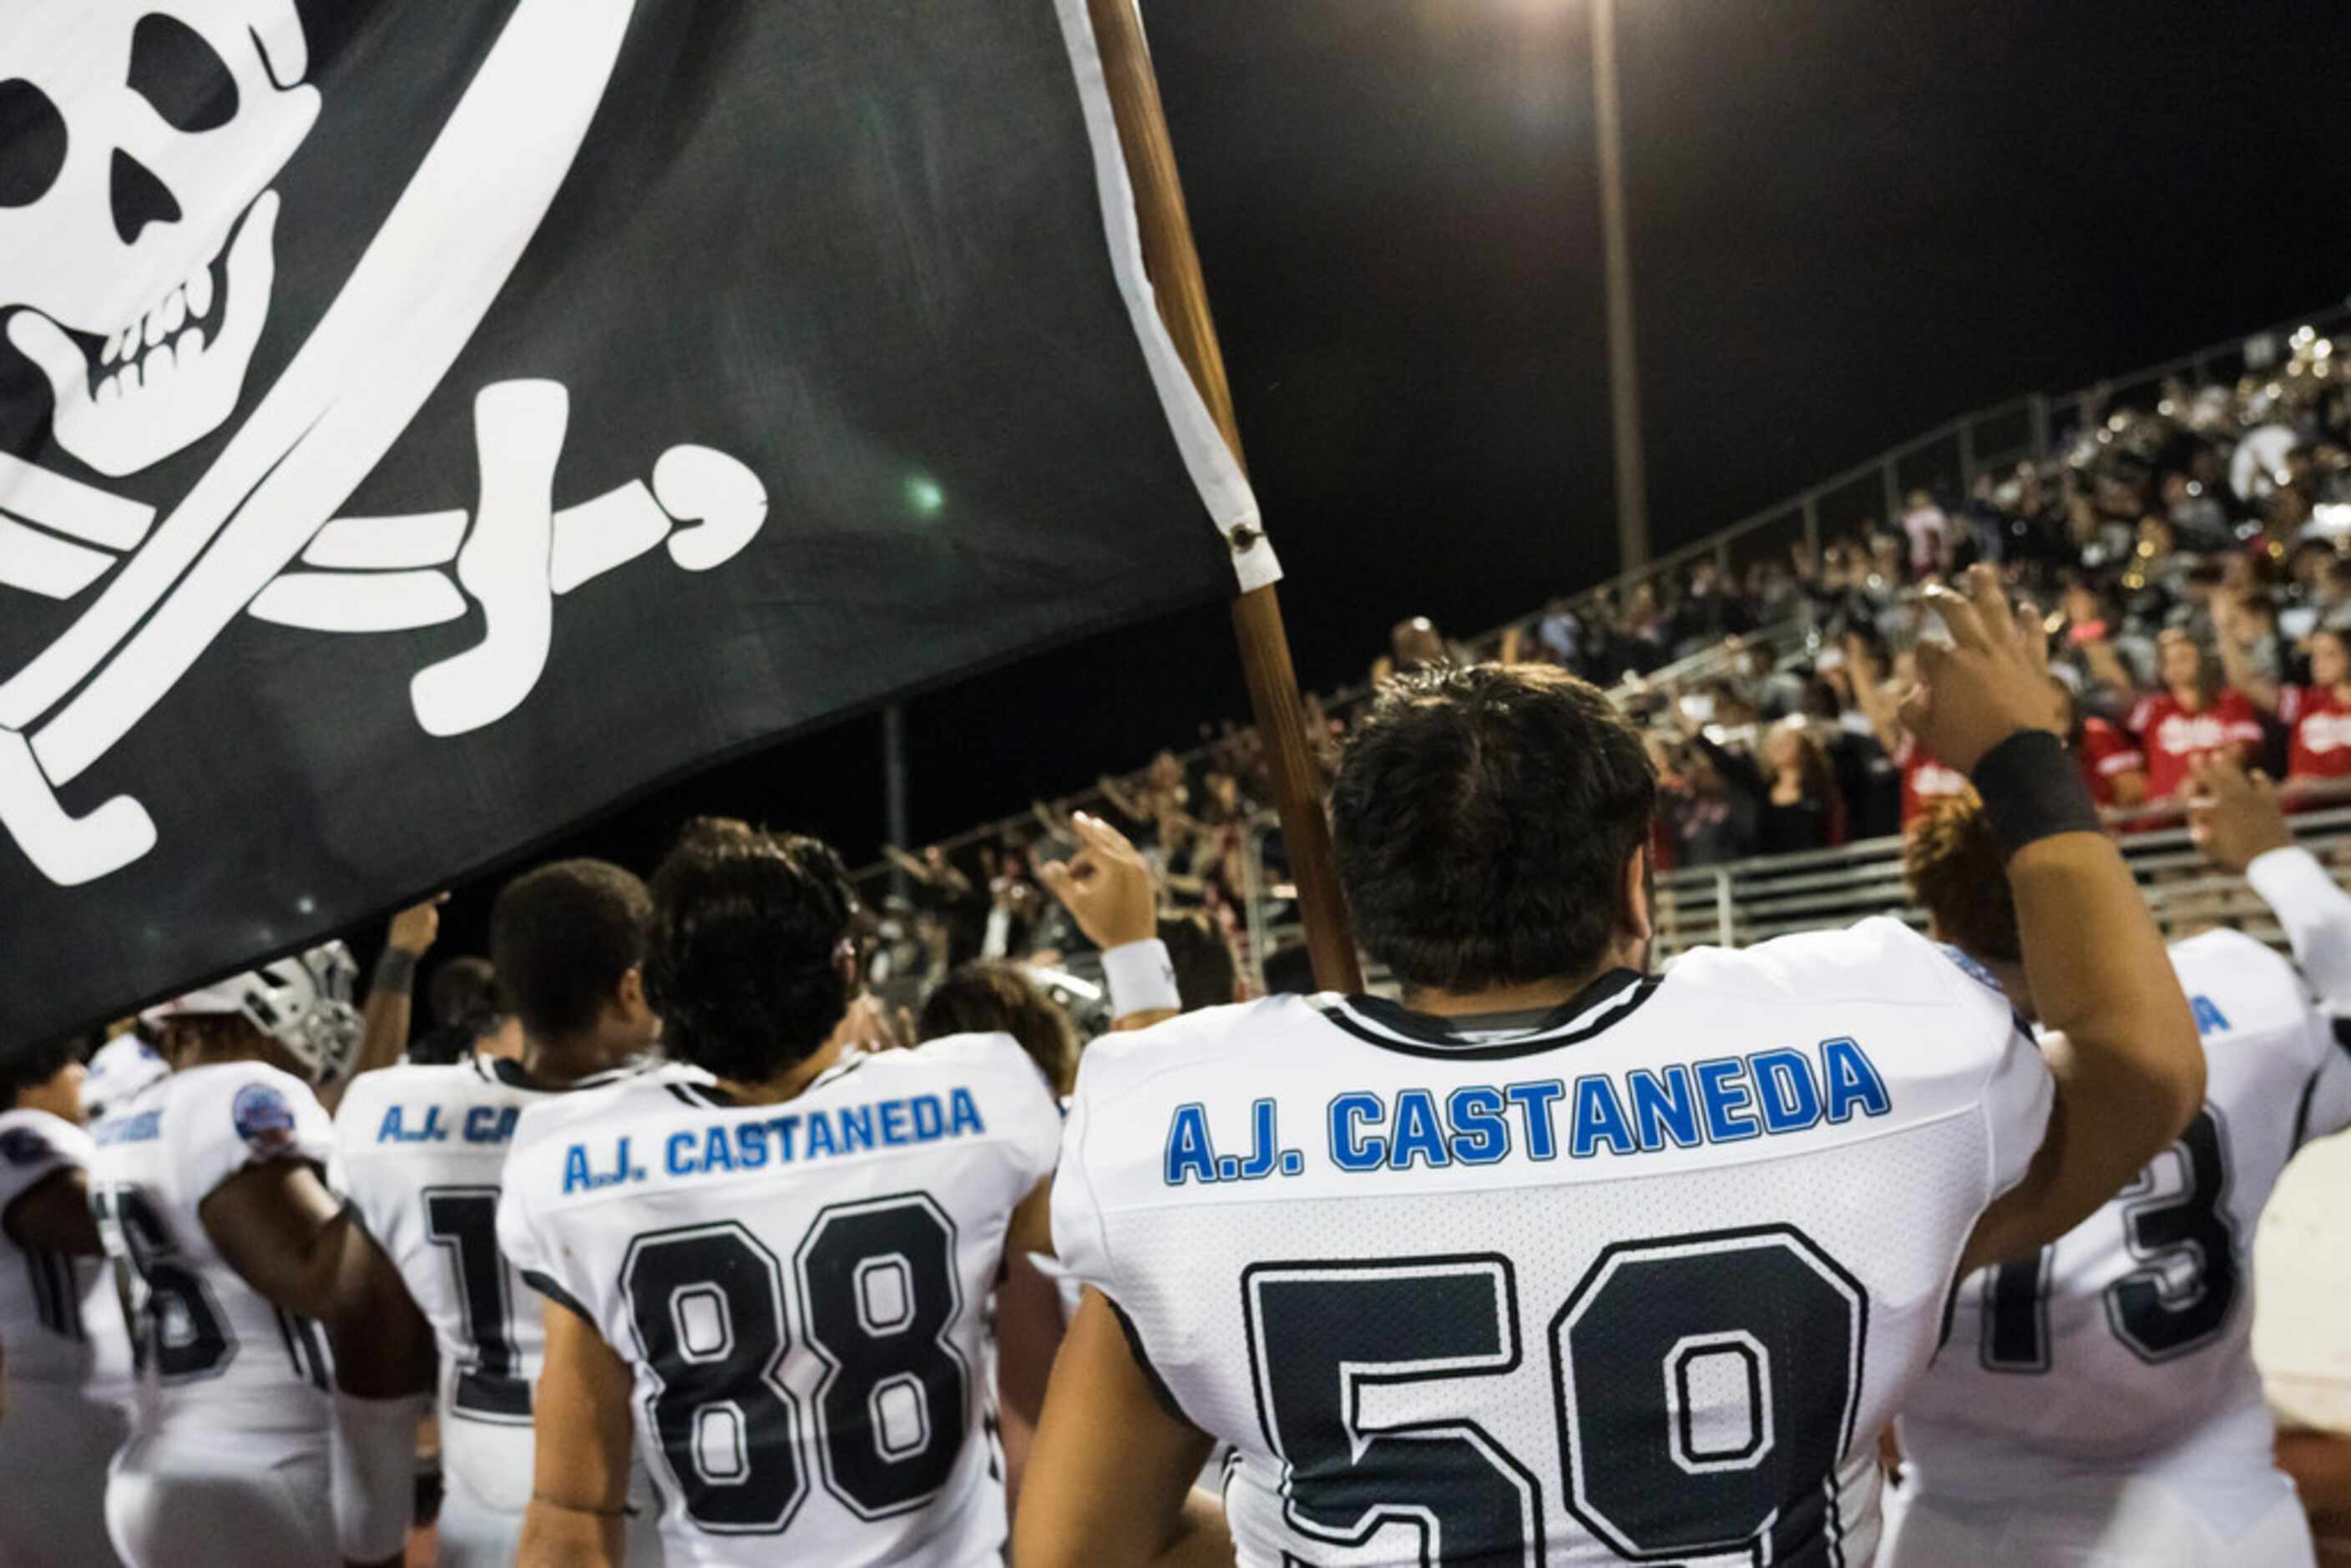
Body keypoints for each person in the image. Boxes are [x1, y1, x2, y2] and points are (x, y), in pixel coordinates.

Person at [1015, 568, 2203, 1566]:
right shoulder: (1872, 1041)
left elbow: (1079, 1550)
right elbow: (2138, 1064)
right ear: (1638, 878)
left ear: (1368, 901)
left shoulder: (1183, 1123)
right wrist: (2020, 756)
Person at [499, 821, 1068, 1565]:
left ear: (660, 991)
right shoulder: (978, 1095)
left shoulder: (576, 1157)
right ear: (849, 968)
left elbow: (571, 1506)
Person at [1884, 758, 2351, 1565]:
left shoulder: (1888, 1071)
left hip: (1962, 1525)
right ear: (2099, 892)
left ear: (1937, 917)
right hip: (2222, 1518)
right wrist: (2274, 855)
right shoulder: (2241, 1005)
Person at [334, 860, 670, 1566]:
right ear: (633, 986)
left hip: (483, 1503)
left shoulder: (388, 1112)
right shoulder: (678, 1117)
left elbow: (375, 1359)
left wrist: (368, 1538)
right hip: (641, 1502)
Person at [93, 943, 435, 1568]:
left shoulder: (130, 1114)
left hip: (166, 1466)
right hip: (263, 1470)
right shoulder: (242, 1093)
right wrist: (406, 1166)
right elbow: (335, 1284)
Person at [0, 1034, 129, 1566]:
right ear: (29, 1078)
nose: (81, 1075)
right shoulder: (19, 1135)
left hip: (49, 1408)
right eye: (68, 1063)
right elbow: (94, 1224)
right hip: (56, 1410)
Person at [2129, 629, 2263, 801]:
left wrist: (2201, 781)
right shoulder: (2150, 709)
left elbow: (2239, 751)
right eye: (2167, 661)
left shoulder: (2232, 702)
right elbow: (2129, 758)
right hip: (2164, 813)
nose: (2175, 666)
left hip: (2221, 806)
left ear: (2204, 660)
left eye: (2183, 658)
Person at [2223, 622, 2351, 792]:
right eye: (2315, 655)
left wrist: (2320, 786)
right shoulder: (2303, 701)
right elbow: (2245, 682)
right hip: (2307, 814)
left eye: (2329, 654)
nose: (2317, 663)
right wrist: (2225, 628)